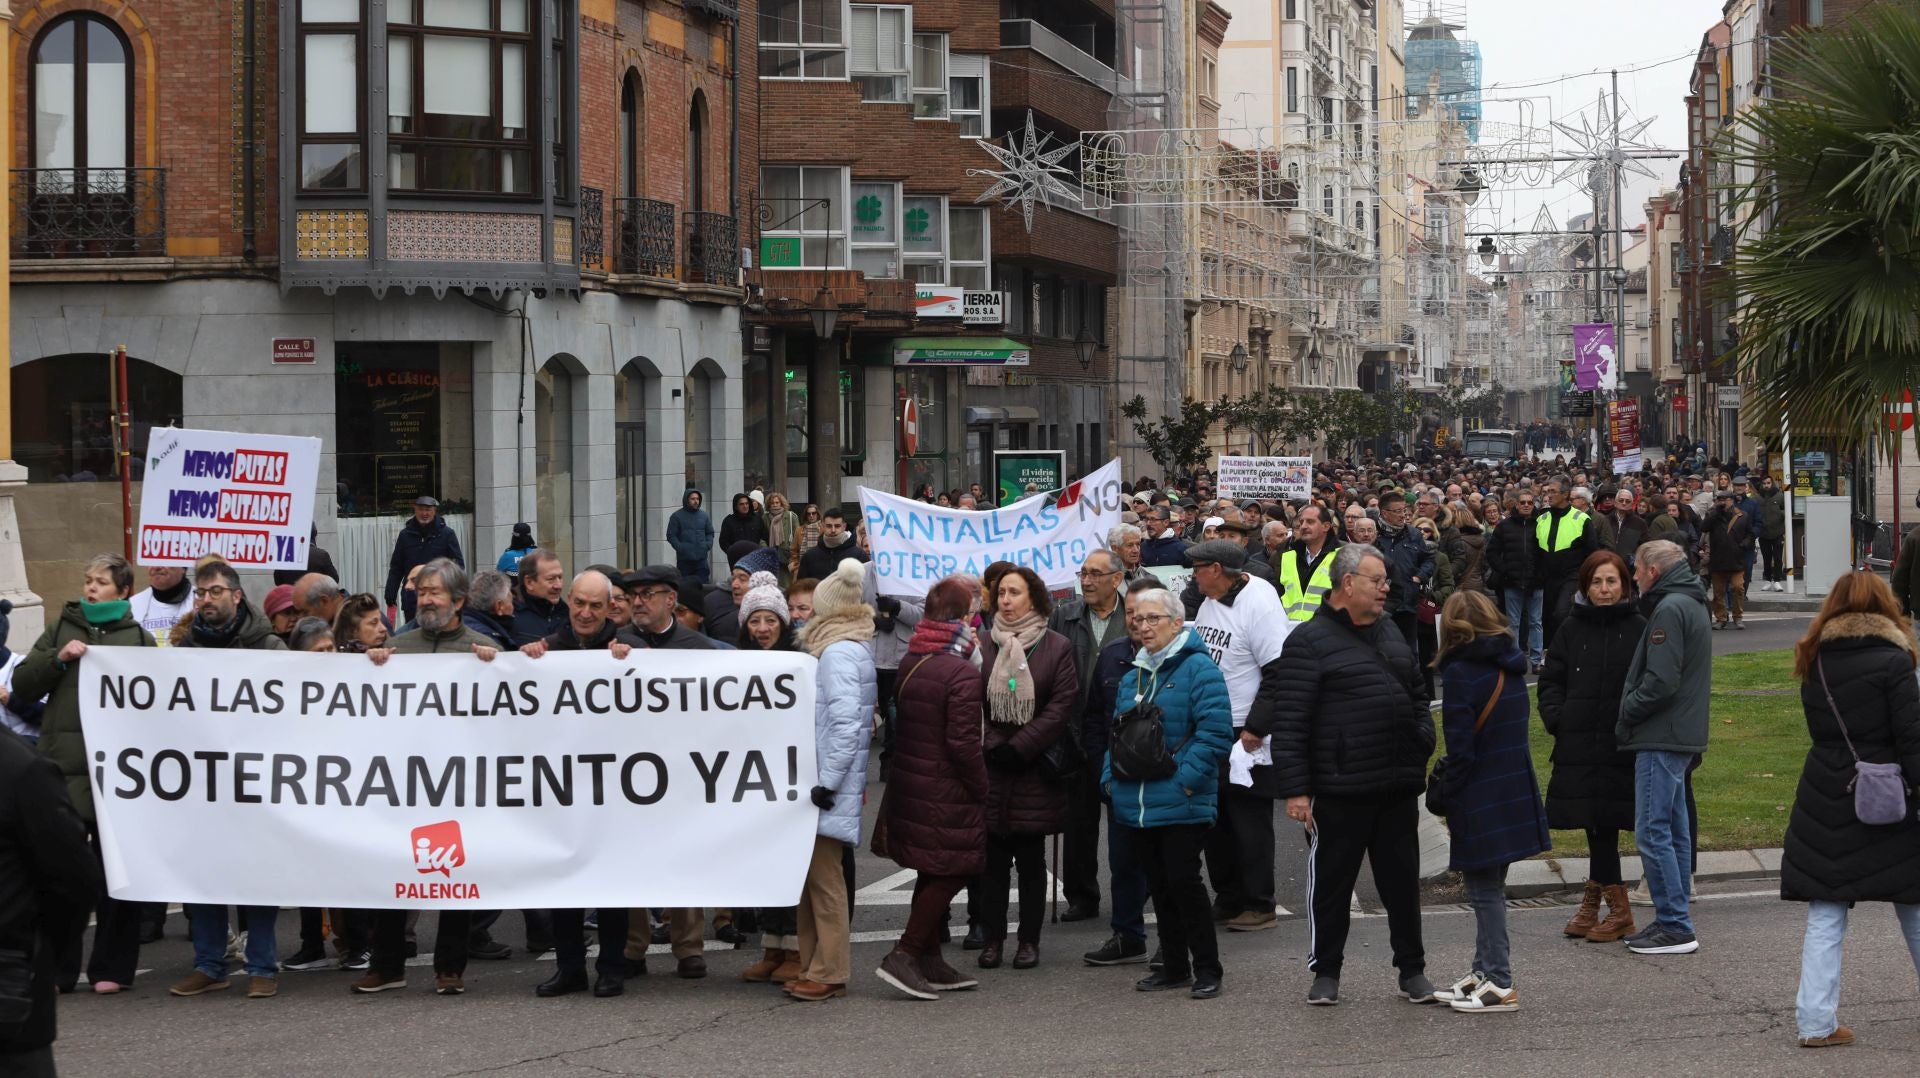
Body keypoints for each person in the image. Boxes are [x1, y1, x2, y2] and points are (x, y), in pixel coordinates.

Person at [1270, 543, 1437, 1007]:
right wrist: (1297, 790)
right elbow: (1290, 721)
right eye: (1376, 580)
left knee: (1402, 885)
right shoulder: (1307, 642)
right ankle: (1326, 972)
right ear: (1347, 584)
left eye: (1385, 581)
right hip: (1338, 789)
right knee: (1331, 885)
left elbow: (1418, 691)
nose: (1386, 588)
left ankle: (1412, 969)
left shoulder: (1390, 632)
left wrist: (1421, 736)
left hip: (1396, 784)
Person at [1782, 570, 1920, 1049]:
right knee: (1914, 904)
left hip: (1826, 790)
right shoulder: (1894, 661)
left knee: (1826, 910)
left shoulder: (1813, 657)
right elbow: (1911, 739)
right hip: (1888, 795)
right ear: (1885, 606)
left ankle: (1815, 1022)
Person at [352, 560, 500, 996]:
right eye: (421, 591)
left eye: (435, 592)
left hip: (457, 783)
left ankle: (449, 968)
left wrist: (495, 667)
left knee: (452, 871)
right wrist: (374, 664)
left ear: (458, 600)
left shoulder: (481, 648)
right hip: (403, 782)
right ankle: (386, 965)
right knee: (394, 873)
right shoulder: (401, 647)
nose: (426, 598)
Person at [16, 553, 155, 994]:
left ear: (124, 591)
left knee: (116, 874)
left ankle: (112, 967)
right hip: (64, 769)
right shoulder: (62, 627)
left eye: (100, 582)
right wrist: (59, 660)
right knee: (59, 872)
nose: (90, 588)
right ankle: (57, 967)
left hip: (118, 776)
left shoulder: (139, 640)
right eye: (87, 580)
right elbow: (23, 684)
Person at [518, 569, 643, 999]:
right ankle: (569, 967)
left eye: (596, 605)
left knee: (610, 885)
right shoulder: (548, 650)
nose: (586, 613)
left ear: (611, 607)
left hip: (614, 790)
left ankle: (612, 968)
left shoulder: (630, 650)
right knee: (565, 884)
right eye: (579, 604)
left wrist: (632, 660)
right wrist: (523, 658)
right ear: (567, 601)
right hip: (563, 790)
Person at [1105, 587, 1235, 999]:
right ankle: (1174, 967)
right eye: (1138, 620)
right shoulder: (1133, 675)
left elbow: (1215, 735)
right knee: (1159, 887)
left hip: (1183, 800)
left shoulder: (1201, 670)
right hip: (1137, 802)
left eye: (1152, 619)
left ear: (1177, 623)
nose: (1143, 627)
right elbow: (1116, 736)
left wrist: (1184, 781)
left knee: (1184, 884)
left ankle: (1208, 968)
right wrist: (1109, 781)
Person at [167, 559, 288, 1000]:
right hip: (202, 784)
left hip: (254, 784)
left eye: (214, 591)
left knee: (256, 876)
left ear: (236, 596)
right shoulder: (185, 651)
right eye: (199, 593)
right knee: (205, 875)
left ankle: (262, 965)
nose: (205, 600)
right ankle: (209, 963)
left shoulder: (268, 647)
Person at [1426, 591, 1548, 1013]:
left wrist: (1444, 789)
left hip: (1480, 794)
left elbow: (1461, 750)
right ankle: (1483, 970)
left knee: (1484, 892)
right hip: (1512, 788)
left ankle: (1498, 978)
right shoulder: (1510, 665)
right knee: (1490, 887)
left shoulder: (1462, 672)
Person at [873, 575, 990, 1000]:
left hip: (914, 781)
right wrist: (982, 786)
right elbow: (962, 743)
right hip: (946, 788)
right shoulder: (959, 671)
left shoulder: (913, 658)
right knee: (954, 868)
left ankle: (929, 957)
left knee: (933, 868)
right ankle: (904, 954)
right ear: (963, 617)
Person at [1537, 550, 1643, 944]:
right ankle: (1603, 904)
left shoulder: (1638, 627)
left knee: (1607, 823)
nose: (1603, 589)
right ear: (1585, 586)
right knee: (1593, 823)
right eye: (1597, 582)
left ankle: (1612, 908)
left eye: (1611, 581)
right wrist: (1558, 719)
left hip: (1621, 744)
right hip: (1579, 740)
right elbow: (1551, 681)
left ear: (1624, 585)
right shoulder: (1571, 628)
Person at [975, 564, 1077, 971]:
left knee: (1032, 863)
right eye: (1001, 594)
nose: (1006, 601)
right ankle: (993, 938)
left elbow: (1062, 705)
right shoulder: (982, 643)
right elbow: (969, 700)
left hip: (1035, 766)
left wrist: (1022, 745)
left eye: (1014, 593)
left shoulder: (1056, 646)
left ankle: (1028, 941)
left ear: (1033, 597)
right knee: (991, 864)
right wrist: (994, 743)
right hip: (991, 765)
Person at [1187, 539, 1291, 932]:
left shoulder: (1259, 604)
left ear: (1216, 569)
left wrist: (1256, 728)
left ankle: (1259, 902)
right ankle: (1228, 896)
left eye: (1198, 568)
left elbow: (1279, 673)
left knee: (1249, 822)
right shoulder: (1212, 600)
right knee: (1216, 821)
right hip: (1212, 723)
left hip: (1244, 728)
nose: (1193, 575)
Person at [1616, 539, 1712, 955]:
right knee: (1672, 829)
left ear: (1652, 570)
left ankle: (1674, 923)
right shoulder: (1689, 602)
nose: (1633, 575)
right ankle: (1674, 919)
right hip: (1676, 732)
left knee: (1653, 830)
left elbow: (1660, 681)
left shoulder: (1670, 608)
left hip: (1662, 733)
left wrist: (1626, 712)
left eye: (1636, 568)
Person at [787, 557, 876, 1001]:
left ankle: (830, 970)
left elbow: (843, 725)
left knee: (823, 883)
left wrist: (827, 782)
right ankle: (813, 965)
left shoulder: (838, 653)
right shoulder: (848, 648)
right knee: (814, 881)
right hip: (828, 784)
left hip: (826, 788)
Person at [0, 720, 102, 1078]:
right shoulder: (22, 767)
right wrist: (41, 952)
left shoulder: (20, 766)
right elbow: (74, 880)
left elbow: (72, 879)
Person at [1082, 576, 1173, 968]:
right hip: (1121, 780)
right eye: (1131, 615)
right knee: (1122, 862)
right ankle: (1127, 935)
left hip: (1166, 784)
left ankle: (1172, 941)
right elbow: (1095, 718)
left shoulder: (1184, 661)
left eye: (1146, 615)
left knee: (1167, 866)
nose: (1138, 623)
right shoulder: (1112, 654)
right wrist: (1100, 770)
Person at [1048, 548, 1130, 923]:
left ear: (1117, 578)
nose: (1087, 580)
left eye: (1096, 574)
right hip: (1074, 732)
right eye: (1083, 573)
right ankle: (1081, 895)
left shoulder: (1134, 614)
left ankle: (1129, 896)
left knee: (1124, 824)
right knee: (1077, 824)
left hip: (1125, 734)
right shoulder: (1064, 615)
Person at [1534, 476, 1601, 648]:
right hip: (1547, 578)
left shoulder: (1582, 519)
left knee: (1561, 613)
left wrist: (1587, 580)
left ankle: (1568, 648)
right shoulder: (1541, 519)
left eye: (1552, 492)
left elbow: (1592, 552)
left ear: (1565, 494)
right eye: (1547, 492)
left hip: (1572, 577)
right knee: (1547, 617)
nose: (1548, 496)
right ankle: (1549, 654)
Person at [385, 495, 464, 622]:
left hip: (437, 595)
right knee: (412, 632)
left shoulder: (446, 534)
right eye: (421, 509)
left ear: (434, 511)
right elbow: (396, 567)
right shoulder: (405, 535)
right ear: (415, 510)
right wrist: (390, 592)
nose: (424, 513)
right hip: (411, 595)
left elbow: (458, 566)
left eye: (428, 510)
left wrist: (454, 592)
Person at [1373, 491, 1434, 656]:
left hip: (1408, 604)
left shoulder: (1413, 534)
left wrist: (1419, 577)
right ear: (1384, 513)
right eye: (1398, 511)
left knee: (1408, 653)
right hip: (1380, 605)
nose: (1403, 515)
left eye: (1404, 510)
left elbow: (1428, 560)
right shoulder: (1373, 534)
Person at [1278, 504, 1341, 622]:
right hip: (1290, 632)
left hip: (1325, 632)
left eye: (1310, 522)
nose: (1303, 526)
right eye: (1301, 522)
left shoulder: (1342, 557)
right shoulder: (1288, 557)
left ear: (1326, 526)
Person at [1701, 490, 1753, 630]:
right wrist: (1715, 513)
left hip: (1736, 559)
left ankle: (1738, 616)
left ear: (1732, 500)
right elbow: (1704, 527)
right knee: (1718, 591)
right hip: (1718, 559)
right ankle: (1721, 618)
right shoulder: (1713, 515)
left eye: (1725, 499)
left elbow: (1750, 534)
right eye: (1720, 499)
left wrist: (1744, 545)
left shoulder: (1742, 516)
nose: (1723, 502)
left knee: (1738, 587)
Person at [510, 548, 568, 645]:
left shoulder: (568, 614)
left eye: (560, 577)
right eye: (551, 579)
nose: (558, 585)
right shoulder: (507, 615)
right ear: (529, 582)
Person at [127, 564, 192, 646]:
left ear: (183, 568)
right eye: (151, 561)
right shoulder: (133, 604)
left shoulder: (202, 602)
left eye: (165, 561)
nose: (156, 567)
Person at [797, 507, 866, 581]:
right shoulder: (809, 556)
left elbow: (866, 585)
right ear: (822, 526)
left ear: (844, 526)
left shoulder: (859, 555)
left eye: (837, 526)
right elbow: (802, 586)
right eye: (829, 526)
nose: (833, 530)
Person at [667, 488, 715, 584]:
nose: (696, 501)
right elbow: (671, 535)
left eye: (697, 499)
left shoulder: (704, 516)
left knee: (703, 586)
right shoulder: (676, 516)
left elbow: (710, 533)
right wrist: (681, 548)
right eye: (692, 499)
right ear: (686, 500)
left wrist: (707, 545)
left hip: (701, 560)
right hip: (684, 561)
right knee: (685, 588)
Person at [461, 569, 518, 648]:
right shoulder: (490, 641)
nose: (513, 607)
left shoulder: (462, 624)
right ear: (499, 606)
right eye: (511, 602)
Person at [1754, 475, 1787, 591]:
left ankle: (1777, 580)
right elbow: (1755, 514)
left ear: (1772, 483)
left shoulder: (1780, 496)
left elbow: (1786, 510)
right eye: (1764, 483)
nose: (1766, 485)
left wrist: (1780, 514)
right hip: (1763, 533)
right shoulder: (1757, 498)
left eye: (1768, 483)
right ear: (1761, 484)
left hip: (1778, 531)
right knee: (1766, 557)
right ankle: (1768, 580)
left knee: (1778, 557)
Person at [764, 492, 801, 583]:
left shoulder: (790, 516)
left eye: (777, 502)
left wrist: (795, 553)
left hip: (787, 555)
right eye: (772, 503)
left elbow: (798, 535)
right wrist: (765, 548)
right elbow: (762, 536)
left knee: (787, 583)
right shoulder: (765, 517)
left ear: (781, 503)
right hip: (772, 554)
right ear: (769, 504)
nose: (775, 505)